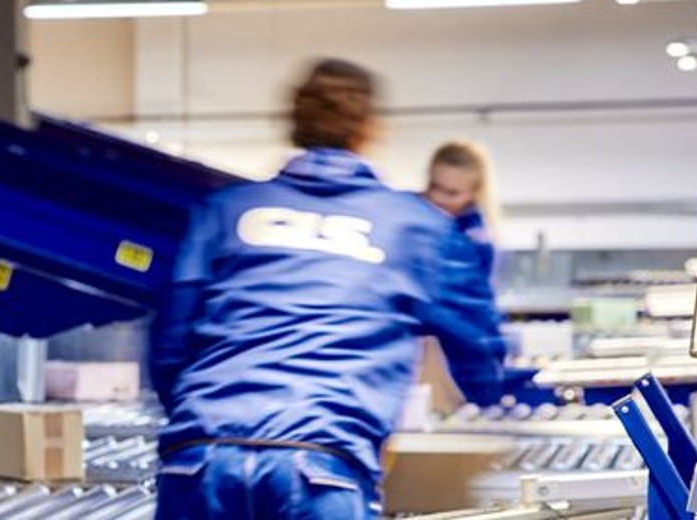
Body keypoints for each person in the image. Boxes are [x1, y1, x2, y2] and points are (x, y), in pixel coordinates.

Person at [150, 59, 507, 519]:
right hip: (320, 465)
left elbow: (169, 349)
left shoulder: (224, 211)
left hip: (198, 460)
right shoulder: (416, 227)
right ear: (369, 130)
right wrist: (484, 398)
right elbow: (480, 349)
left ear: (294, 122)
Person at [422, 140, 500, 279]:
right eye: (433, 186)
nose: (437, 198)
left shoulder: (478, 244)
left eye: (452, 193)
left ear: (474, 193)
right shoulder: (408, 209)